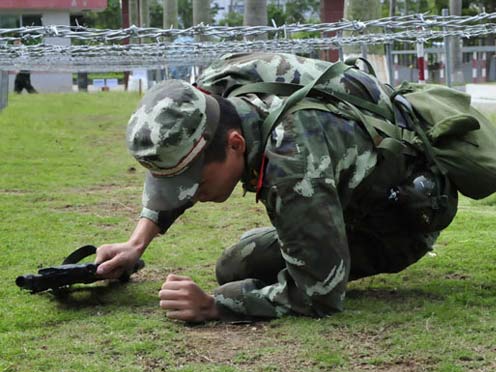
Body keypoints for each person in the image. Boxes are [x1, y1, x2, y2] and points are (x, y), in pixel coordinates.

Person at [95, 52, 461, 322]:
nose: (192, 195)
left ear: (236, 143)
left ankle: (318, 232)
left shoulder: (294, 164)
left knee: (235, 271)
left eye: (196, 183)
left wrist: (214, 306)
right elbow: (181, 163)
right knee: (240, 262)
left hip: (403, 219)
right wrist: (135, 243)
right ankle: (308, 231)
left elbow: (319, 296)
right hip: (353, 170)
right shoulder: (213, 91)